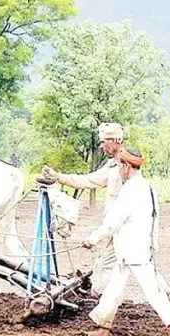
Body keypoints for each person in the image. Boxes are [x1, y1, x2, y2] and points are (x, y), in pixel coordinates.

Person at [80, 148, 170, 336]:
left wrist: (92, 239)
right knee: (114, 289)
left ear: (126, 165)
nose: (119, 169)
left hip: (134, 251)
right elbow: (155, 217)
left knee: (153, 291)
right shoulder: (148, 186)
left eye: (120, 165)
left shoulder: (130, 190)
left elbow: (113, 222)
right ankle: (103, 328)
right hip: (135, 249)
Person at [43, 122, 126, 298]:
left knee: (106, 266)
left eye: (104, 142)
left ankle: (101, 305)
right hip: (116, 229)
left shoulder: (126, 167)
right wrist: (59, 177)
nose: (102, 146)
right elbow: (88, 180)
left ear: (114, 141)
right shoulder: (111, 166)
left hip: (124, 227)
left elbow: (125, 206)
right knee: (138, 266)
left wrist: (94, 238)